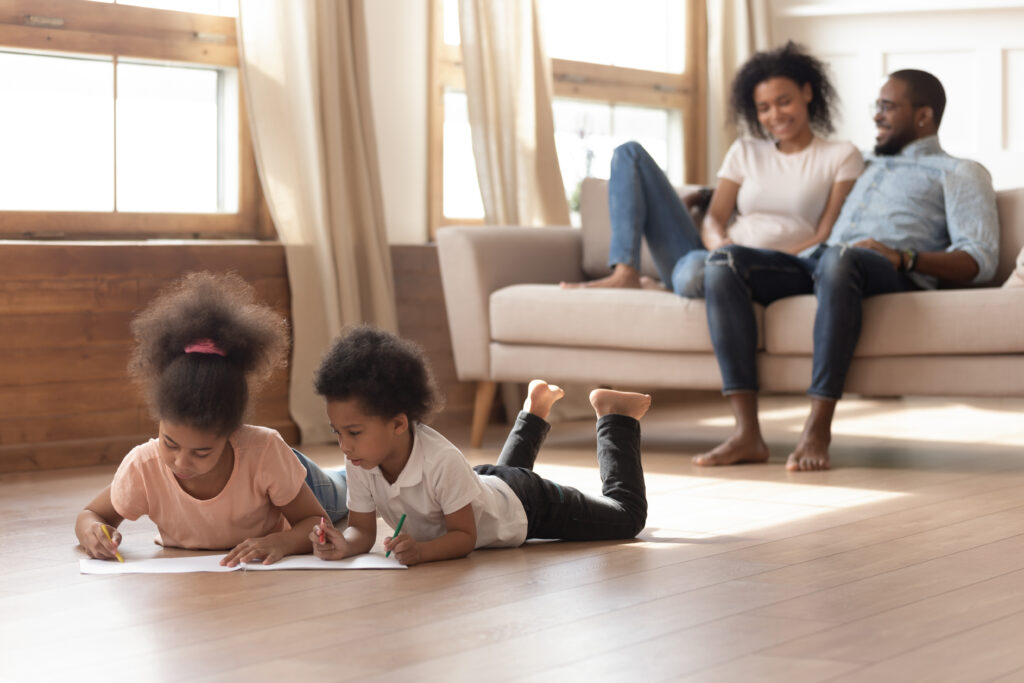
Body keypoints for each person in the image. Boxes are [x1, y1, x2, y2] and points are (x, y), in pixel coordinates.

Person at [696, 69, 1000, 471]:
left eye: (888, 107)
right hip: (821, 262)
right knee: (723, 263)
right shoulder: (861, 162)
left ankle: (817, 428)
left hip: (888, 272)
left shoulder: (959, 172)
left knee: (843, 258)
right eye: (877, 106)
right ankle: (746, 433)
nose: (877, 116)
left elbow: (980, 259)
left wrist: (903, 256)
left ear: (923, 116)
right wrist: (704, 196)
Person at [308, 326, 651, 566]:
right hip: (487, 485)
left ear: (398, 423)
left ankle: (615, 416)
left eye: (353, 432)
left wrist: (422, 552)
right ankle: (534, 411)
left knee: (627, 518)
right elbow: (362, 530)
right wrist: (344, 544)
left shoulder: (441, 460)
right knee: (499, 481)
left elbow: (463, 536)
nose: (344, 446)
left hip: (528, 505)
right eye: (336, 432)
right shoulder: (361, 461)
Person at [74, 272, 349, 565]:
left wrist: (282, 542)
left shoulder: (263, 451)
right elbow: (91, 515)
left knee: (349, 489)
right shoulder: (144, 466)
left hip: (295, 480)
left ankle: (352, 473)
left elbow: (315, 522)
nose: (181, 462)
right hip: (274, 477)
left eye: (201, 451)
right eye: (170, 443)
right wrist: (93, 532)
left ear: (233, 433)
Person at [562, 41, 863, 296]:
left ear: (807, 93)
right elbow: (714, 218)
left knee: (694, 275)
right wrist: (720, 246)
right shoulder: (745, 150)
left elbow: (827, 233)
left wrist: (756, 259)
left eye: (784, 102)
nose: (776, 115)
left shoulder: (840, 155)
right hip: (714, 257)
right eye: (764, 108)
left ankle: (665, 285)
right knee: (629, 154)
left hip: (774, 268)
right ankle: (626, 272)